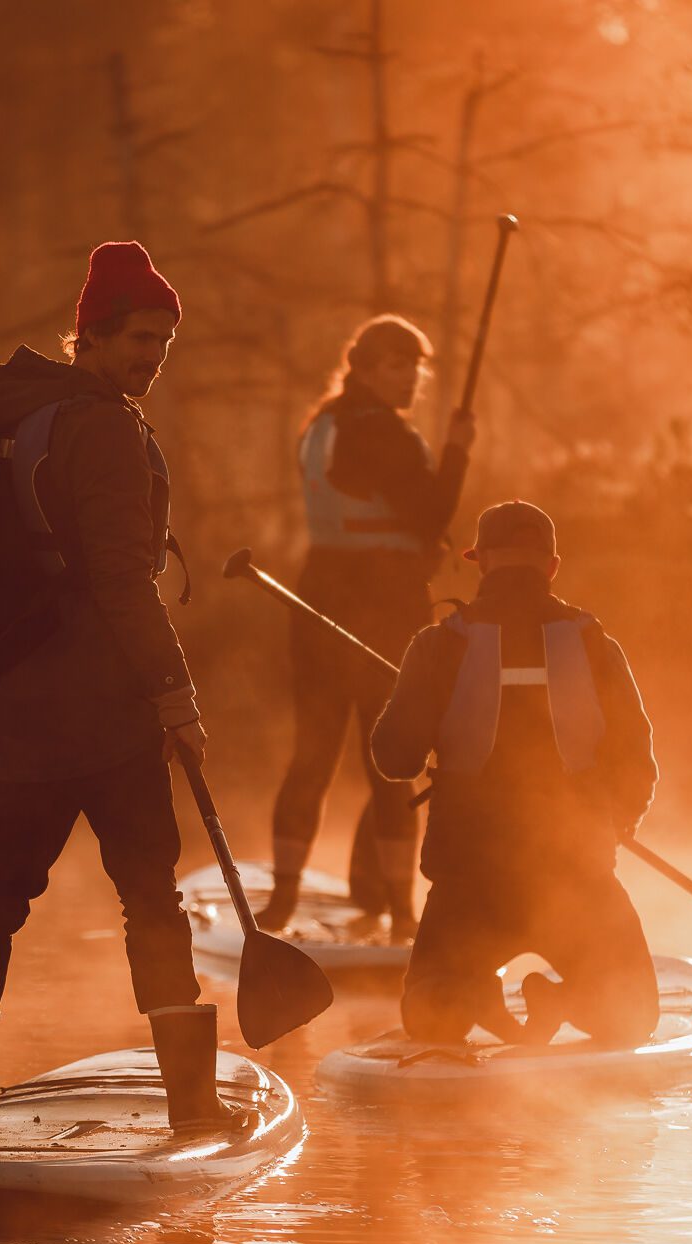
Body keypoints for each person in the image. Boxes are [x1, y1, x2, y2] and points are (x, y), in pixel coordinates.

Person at [0, 240, 232, 1141]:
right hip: (106, 707)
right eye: (141, 339)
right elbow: (120, 580)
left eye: (165, 346)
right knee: (151, 896)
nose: (152, 359)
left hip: (26, 701)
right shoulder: (99, 424)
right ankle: (191, 1110)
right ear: (93, 335)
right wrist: (176, 696)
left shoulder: (29, 416)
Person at [369, 501, 661, 1046]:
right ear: (551, 566)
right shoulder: (596, 645)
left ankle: (469, 995)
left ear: (481, 563)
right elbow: (637, 756)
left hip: (468, 885)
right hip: (577, 878)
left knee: (429, 1019)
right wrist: (618, 823)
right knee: (635, 1017)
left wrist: (425, 704)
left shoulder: (438, 644)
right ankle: (565, 999)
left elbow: (394, 759)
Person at [260, 315, 474, 941]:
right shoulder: (383, 434)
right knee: (392, 761)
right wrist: (459, 448)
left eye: (417, 367)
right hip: (378, 609)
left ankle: (282, 901)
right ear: (367, 369)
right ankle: (404, 914)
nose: (411, 379)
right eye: (397, 367)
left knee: (313, 756)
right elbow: (432, 513)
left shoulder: (320, 424)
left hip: (320, 600)